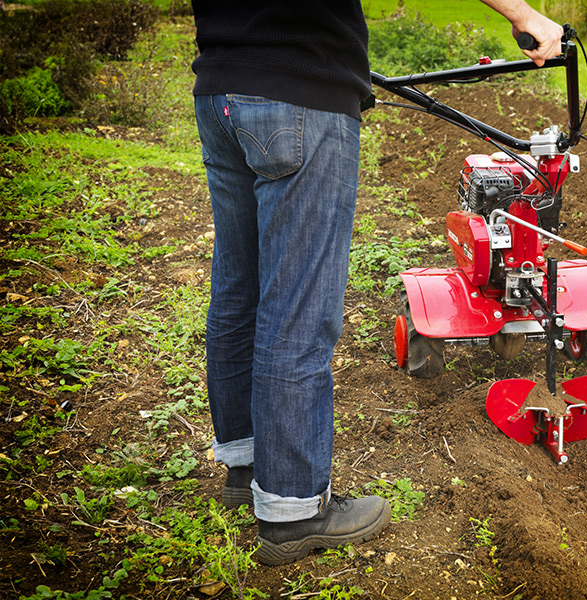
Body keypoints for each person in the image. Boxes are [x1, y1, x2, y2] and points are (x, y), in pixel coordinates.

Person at [190, 0, 563, 566]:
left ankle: (246, 468)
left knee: (240, 290)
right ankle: (293, 510)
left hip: (221, 91)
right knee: (297, 309)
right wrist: (524, 15)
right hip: (299, 92)